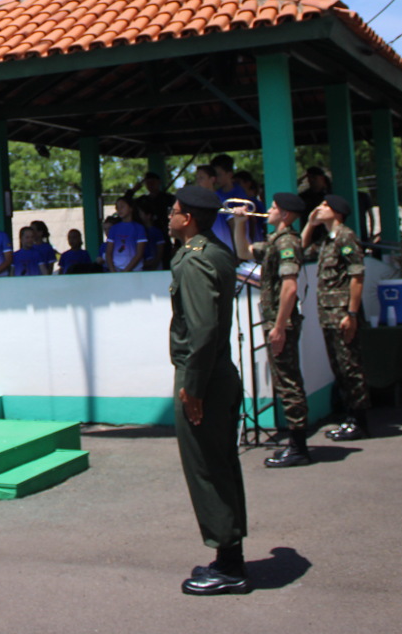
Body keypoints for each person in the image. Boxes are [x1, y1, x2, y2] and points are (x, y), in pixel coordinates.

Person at [167, 186, 250, 595]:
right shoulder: (217, 251)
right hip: (216, 373)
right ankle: (229, 555)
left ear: (190, 219)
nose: (170, 215)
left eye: (175, 211)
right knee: (219, 463)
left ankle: (230, 565)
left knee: (207, 469)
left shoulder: (195, 260)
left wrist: (193, 387)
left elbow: (201, 330)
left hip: (203, 377)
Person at [232, 192, 311, 467]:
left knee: (288, 383)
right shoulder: (276, 241)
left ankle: (299, 448)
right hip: (278, 321)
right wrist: (240, 223)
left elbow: (290, 286)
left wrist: (279, 327)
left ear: (286, 215)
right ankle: (296, 445)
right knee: (284, 381)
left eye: (275, 208)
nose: (269, 210)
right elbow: (244, 253)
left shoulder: (287, 241)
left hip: (282, 322)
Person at [302, 195, 371, 441]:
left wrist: (351, 313)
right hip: (328, 314)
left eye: (324, 206)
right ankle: (349, 418)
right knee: (339, 368)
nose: (318, 208)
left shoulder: (345, 237)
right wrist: (310, 224)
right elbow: (301, 248)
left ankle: (359, 421)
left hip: (342, 314)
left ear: (338, 212)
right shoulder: (326, 241)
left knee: (350, 367)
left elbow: (357, 276)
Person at [103, 196, 147, 272]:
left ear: (131, 208)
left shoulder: (139, 228)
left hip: (135, 270)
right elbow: (108, 252)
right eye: (117, 208)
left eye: (122, 207)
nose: (119, 210)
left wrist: (126, 271)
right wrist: (112, 269)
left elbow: (139, 253)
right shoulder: (114, 228)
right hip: (116, 269)